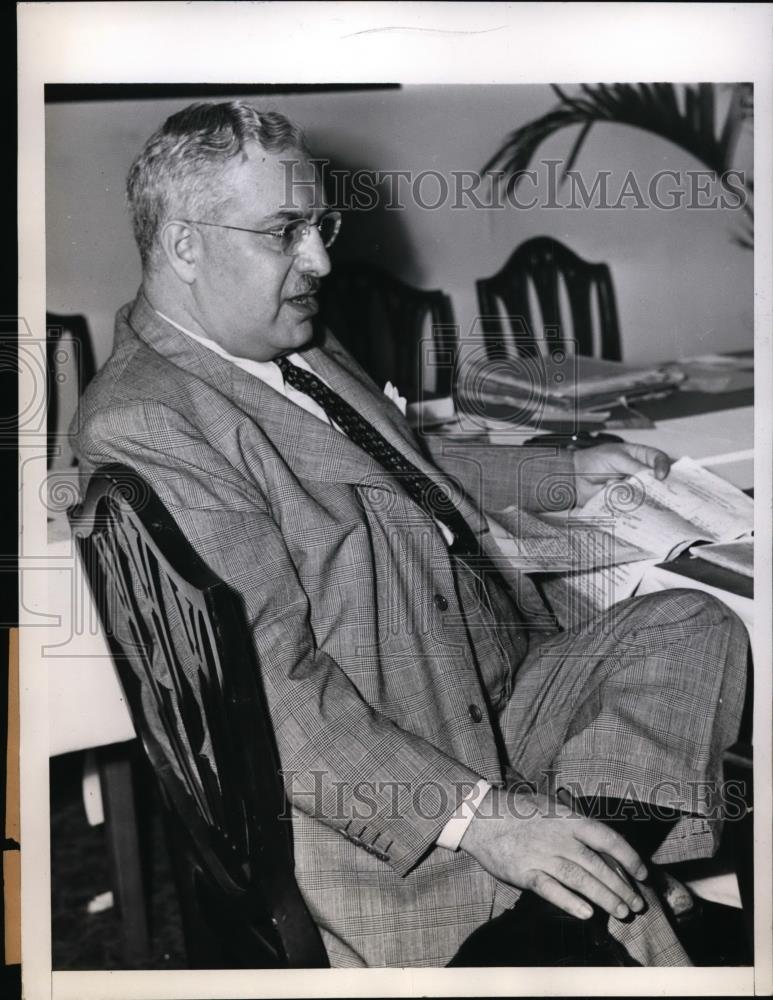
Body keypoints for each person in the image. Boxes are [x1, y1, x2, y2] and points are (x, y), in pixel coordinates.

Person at [72, 101, 749, 968]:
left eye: (320, 224)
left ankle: (579, 891)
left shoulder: (290, 344)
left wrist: (552, 474)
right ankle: (581, 912)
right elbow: (277, 698)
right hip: (391, 770)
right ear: (184, 245)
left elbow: (397, 466)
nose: (319, 259)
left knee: (690, 625)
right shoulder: (148, 422)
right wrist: (484, 818)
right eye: (284, 232)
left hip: (481, 693)